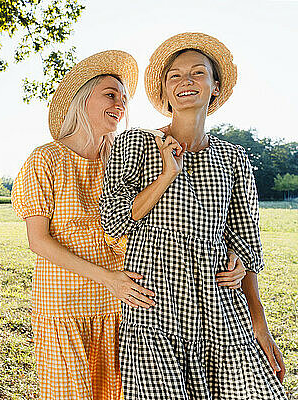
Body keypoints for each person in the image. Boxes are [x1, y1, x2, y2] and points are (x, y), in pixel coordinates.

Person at [11, 49, 247, 400]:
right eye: (110, 94)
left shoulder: (123, 154)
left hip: (123, 304)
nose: (121, 103)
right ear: (81, 99)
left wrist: (227, 251)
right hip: (66, 307)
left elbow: (183, 211)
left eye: (124, 98)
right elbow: (38, 241)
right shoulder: (46, 158)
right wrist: (109, 279)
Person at [100, 32, 287, 399]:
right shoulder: (134, 143)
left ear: (215, 87)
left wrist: (259, 324)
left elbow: (245, 244)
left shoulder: (233, 159)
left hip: (219, 309)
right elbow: (115, 221)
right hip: (155, 309)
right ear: (166, 93)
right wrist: (167, 173)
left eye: (198, 73)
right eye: (175, 76)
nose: (186, 81)